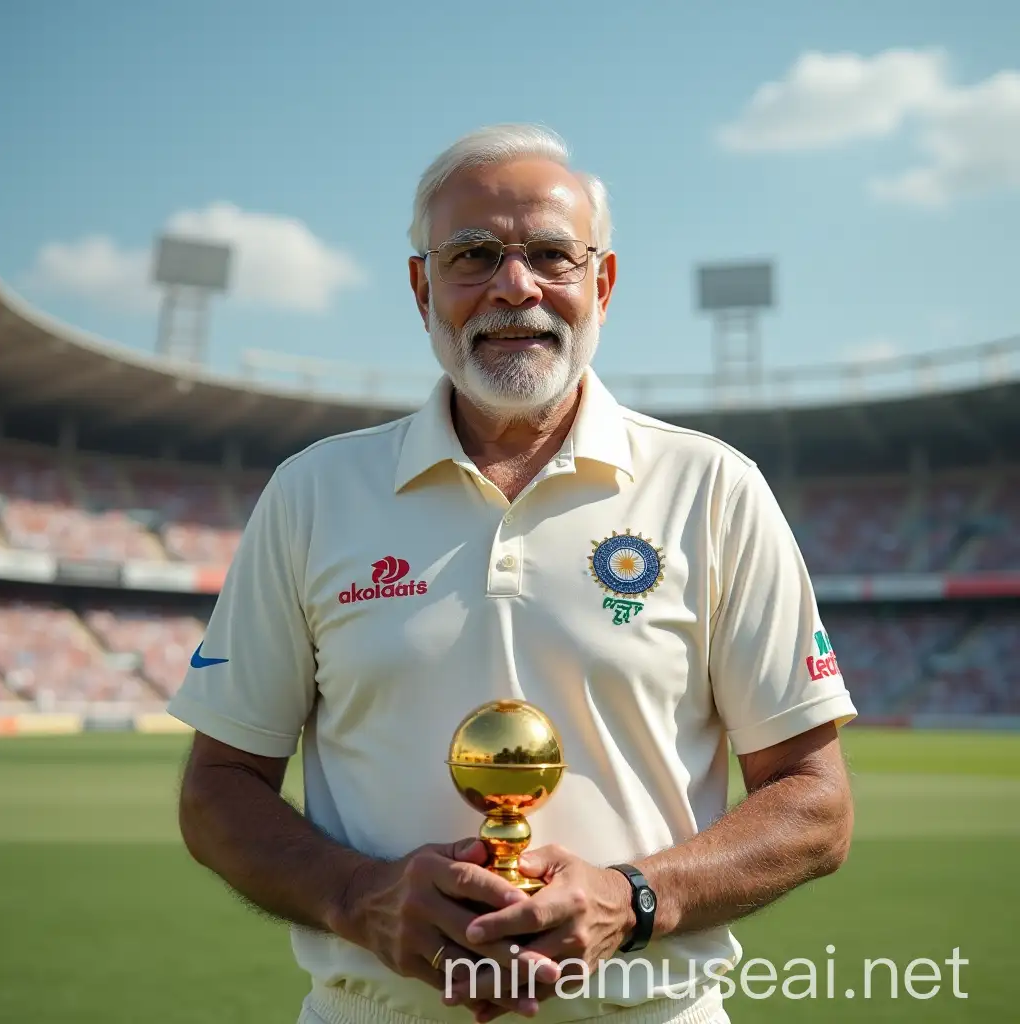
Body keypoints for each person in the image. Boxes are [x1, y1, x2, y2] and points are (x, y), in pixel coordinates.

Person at [169, 123, 856, 1024]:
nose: (515, 286)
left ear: (600, 282)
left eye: (551, 255)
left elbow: (815, 802)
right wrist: (358, 897)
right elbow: (217, 786)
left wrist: (634, 900)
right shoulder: (312, 493)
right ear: (423, 288)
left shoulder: (712, 487)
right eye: (474, 254)